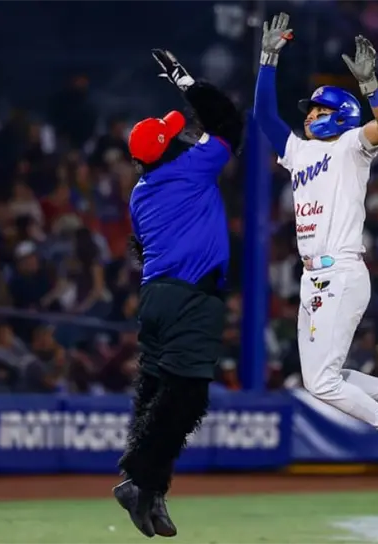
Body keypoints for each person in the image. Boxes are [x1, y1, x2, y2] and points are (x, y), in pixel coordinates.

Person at [253, 12, 378, 480]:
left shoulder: (352, 145)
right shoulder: (299, 151)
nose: (309, 115)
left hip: (342, 270)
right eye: (309, 110)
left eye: (317, 110)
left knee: (321, 381)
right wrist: (268, 60)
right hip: (314, 275)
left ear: (339, 115)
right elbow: (264, 117)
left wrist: (370, 86)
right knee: (322, 379)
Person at [112, 49, 243, 538]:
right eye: (175, 133)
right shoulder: (194, 166)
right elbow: (228, 122)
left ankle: (151, 491)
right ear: (170, 148)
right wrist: (188, 83)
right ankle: (138, 478)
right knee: (186, 397)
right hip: (192, 298)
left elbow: (140, 248)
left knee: (153, 396)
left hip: (155, 298)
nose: (183, 132)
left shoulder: (140, 192)